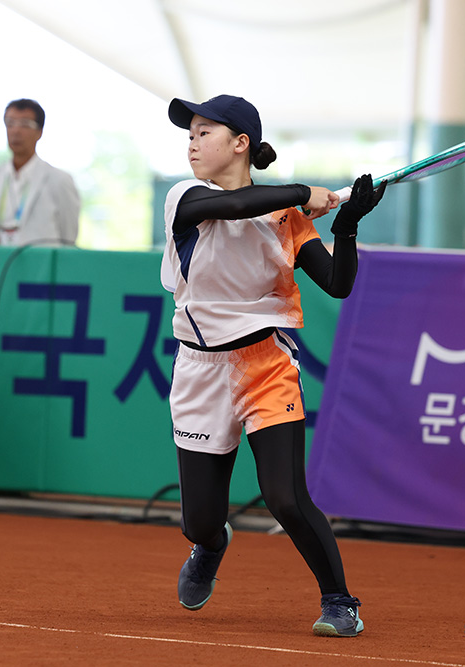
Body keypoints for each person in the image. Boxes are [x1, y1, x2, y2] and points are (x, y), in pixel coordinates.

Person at [161, 94, 386, 637]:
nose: (192, 143)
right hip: (199, 370)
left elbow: (337, 284)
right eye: (190, 134)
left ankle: (340, 602)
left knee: (285, 496)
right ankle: (211, 545)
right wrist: (305, 193)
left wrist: (346, 226)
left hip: (265, 365)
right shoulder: (185, 197)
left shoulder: (286, 218)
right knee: (199, 521)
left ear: (240, 143)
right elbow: (239, 206)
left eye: (204, 132)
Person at [0, 99, 80, 247]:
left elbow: (68, 238)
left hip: (41, 259)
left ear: (39, 132)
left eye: (25, 124)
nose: (16, 131)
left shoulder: (59, 180)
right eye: (10, 123)